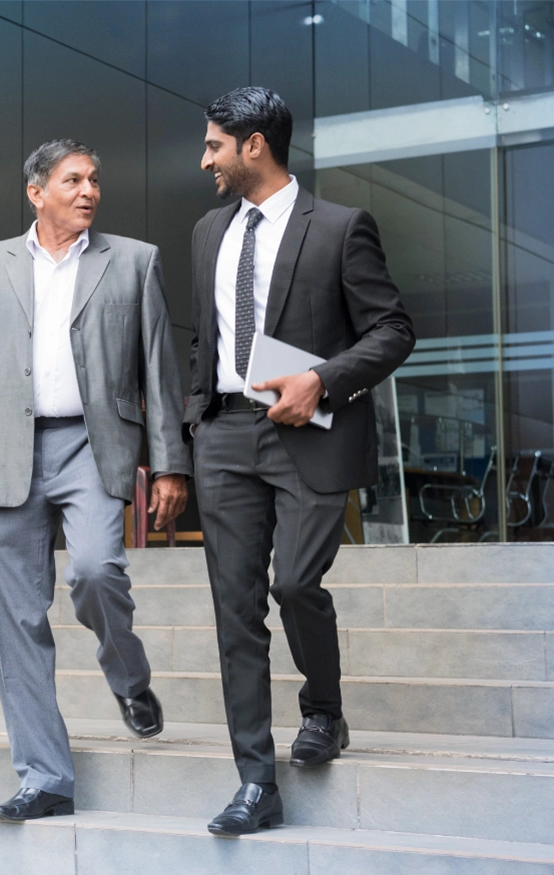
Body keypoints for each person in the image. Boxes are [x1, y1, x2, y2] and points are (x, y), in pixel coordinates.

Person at [185, 87, 415, 836]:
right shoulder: (205, 232)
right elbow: (208, 340)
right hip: (224, 434)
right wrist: (193, 425)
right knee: (234, 609)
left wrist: (323, 377)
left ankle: (324, 707)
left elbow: (393, 330)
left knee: (293, 584)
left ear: (255, 145)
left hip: (312, 431)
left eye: (215, 144)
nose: (205, 158)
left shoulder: (343, 228)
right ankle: (256, 780)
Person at [0, 139, 191, 822]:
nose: (89, 191)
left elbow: (159, 372)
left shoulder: (134, 262)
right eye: (73, 180)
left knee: (94, 569)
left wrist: (170, 462)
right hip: (3, 455)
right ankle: (46, 776)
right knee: (14, 620)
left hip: (93, 442)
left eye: (94, 180)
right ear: (36, 192)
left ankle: (128, 675)